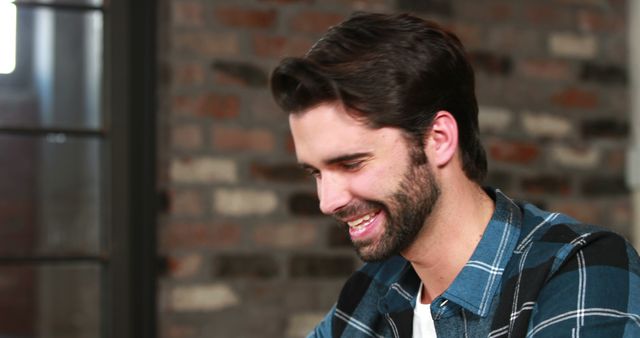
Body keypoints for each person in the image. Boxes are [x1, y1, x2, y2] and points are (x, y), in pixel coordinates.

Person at [270, 12, 640, 338]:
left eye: (351, 164)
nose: (327, 200)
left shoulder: (577, 268)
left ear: (439, 139)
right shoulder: (367, 297)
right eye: (315, 172)